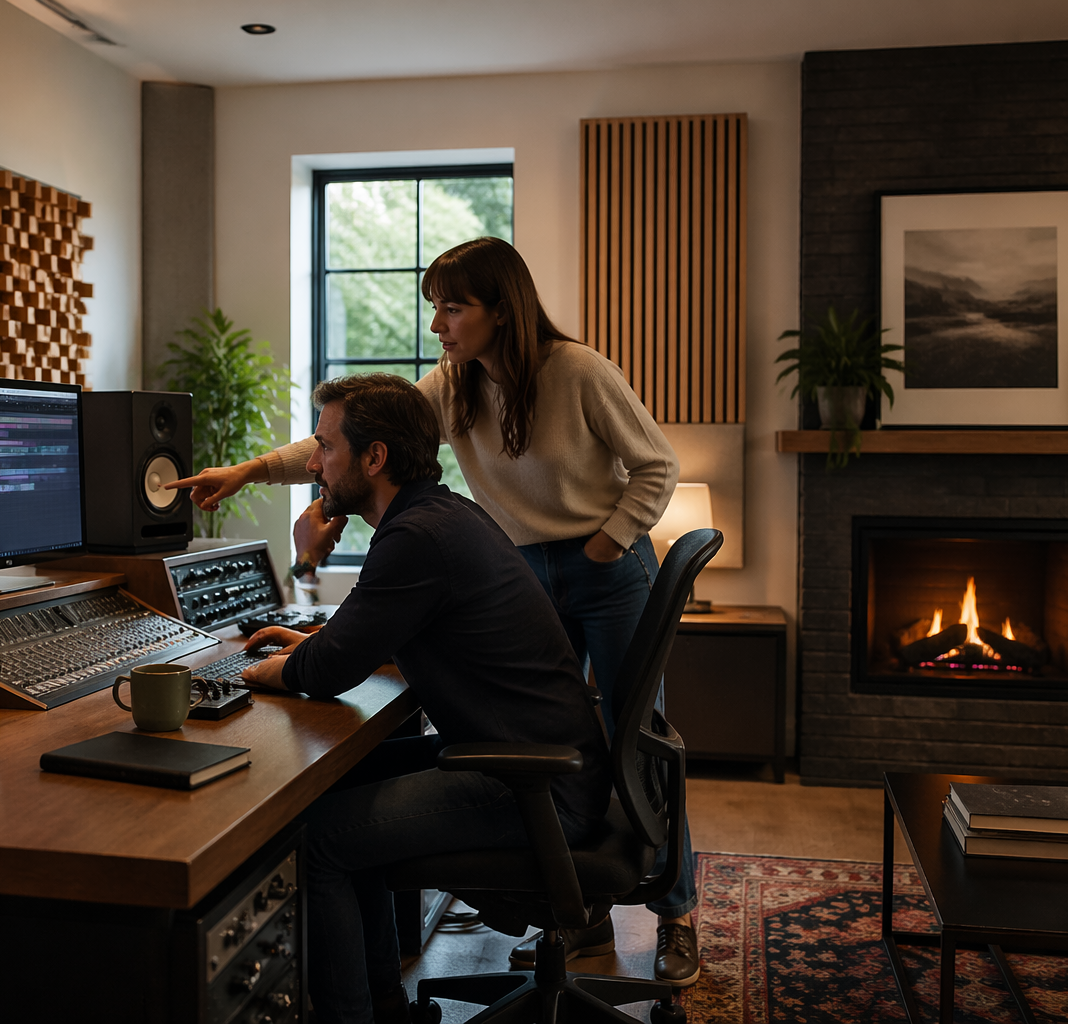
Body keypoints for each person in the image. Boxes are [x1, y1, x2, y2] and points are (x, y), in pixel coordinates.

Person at [169, 236, 701, 984]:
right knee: (544, 720)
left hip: (603, 563)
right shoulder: (455, 384)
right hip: (528, 561)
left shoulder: (577, 371)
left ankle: (676, 915)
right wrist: (250, 470)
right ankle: (579, 913)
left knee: (635, 742)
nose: (438, 325)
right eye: (435, 308)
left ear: (501, 310)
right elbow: (353, 435)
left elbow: (658, 464)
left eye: (453, 307)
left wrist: (607, 546)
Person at [239, 372, 611, 1024]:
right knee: (330, 793)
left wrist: (256, 672)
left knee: (319, 840)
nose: (315, 464)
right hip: (540, 761)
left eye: (326, 447)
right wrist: (309, 642)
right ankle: (385, 1005)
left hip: (534, 784)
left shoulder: (415, 537)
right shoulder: (439, 515)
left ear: (374, 457)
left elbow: (327, 671)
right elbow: (369, 635)